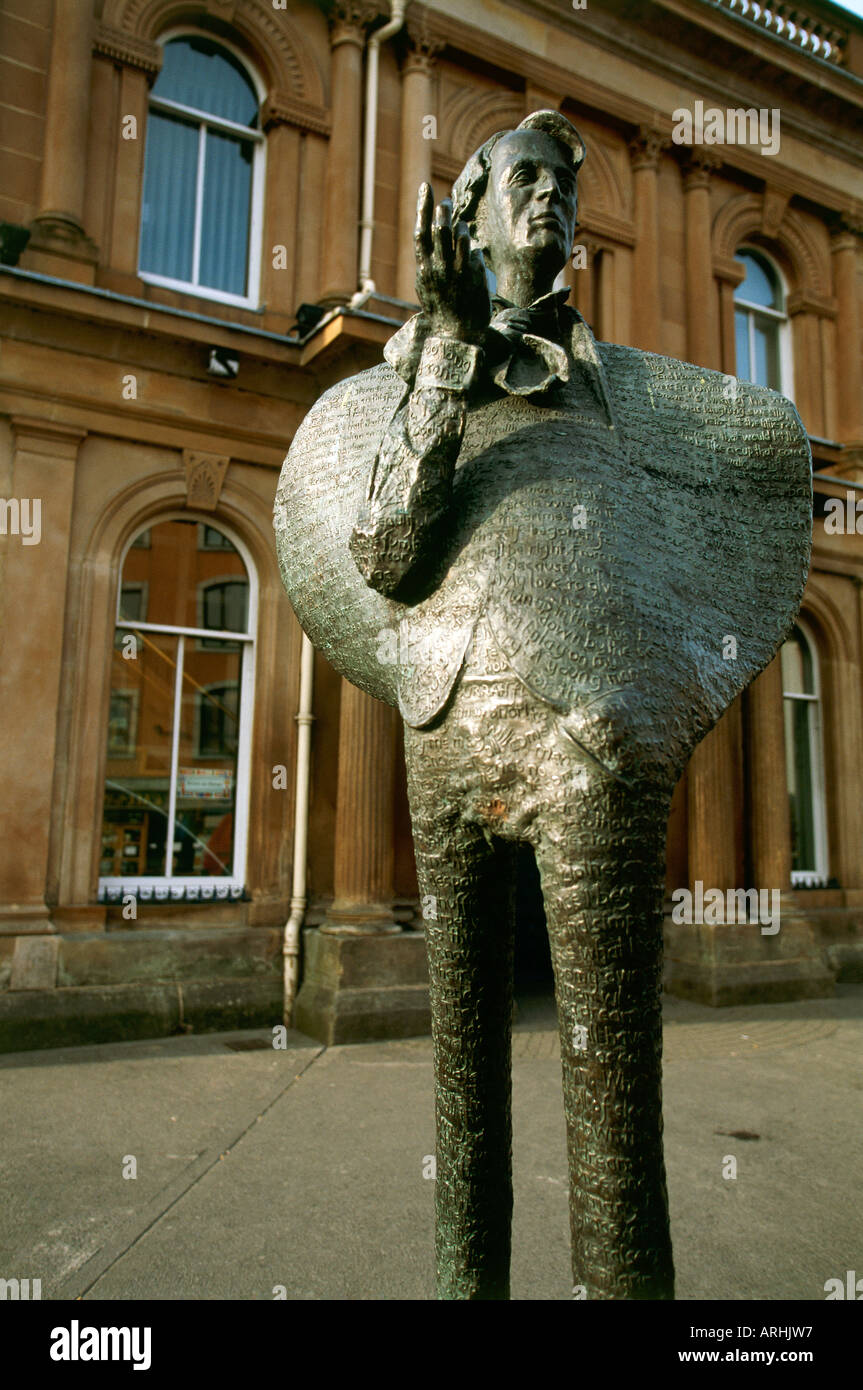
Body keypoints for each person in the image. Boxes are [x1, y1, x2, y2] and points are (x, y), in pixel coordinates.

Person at [274, 111, 811, 1300]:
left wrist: (647, 691)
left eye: (564, 186)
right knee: (461, 1083)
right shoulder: (409, 371)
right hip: (442, 720)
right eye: (522, 179)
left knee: (610, 1091)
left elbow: (697, 517)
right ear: (464, 214)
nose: (549, 200)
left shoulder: (630, 392)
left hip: (597, 733)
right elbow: (386, 551)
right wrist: (450, 360)